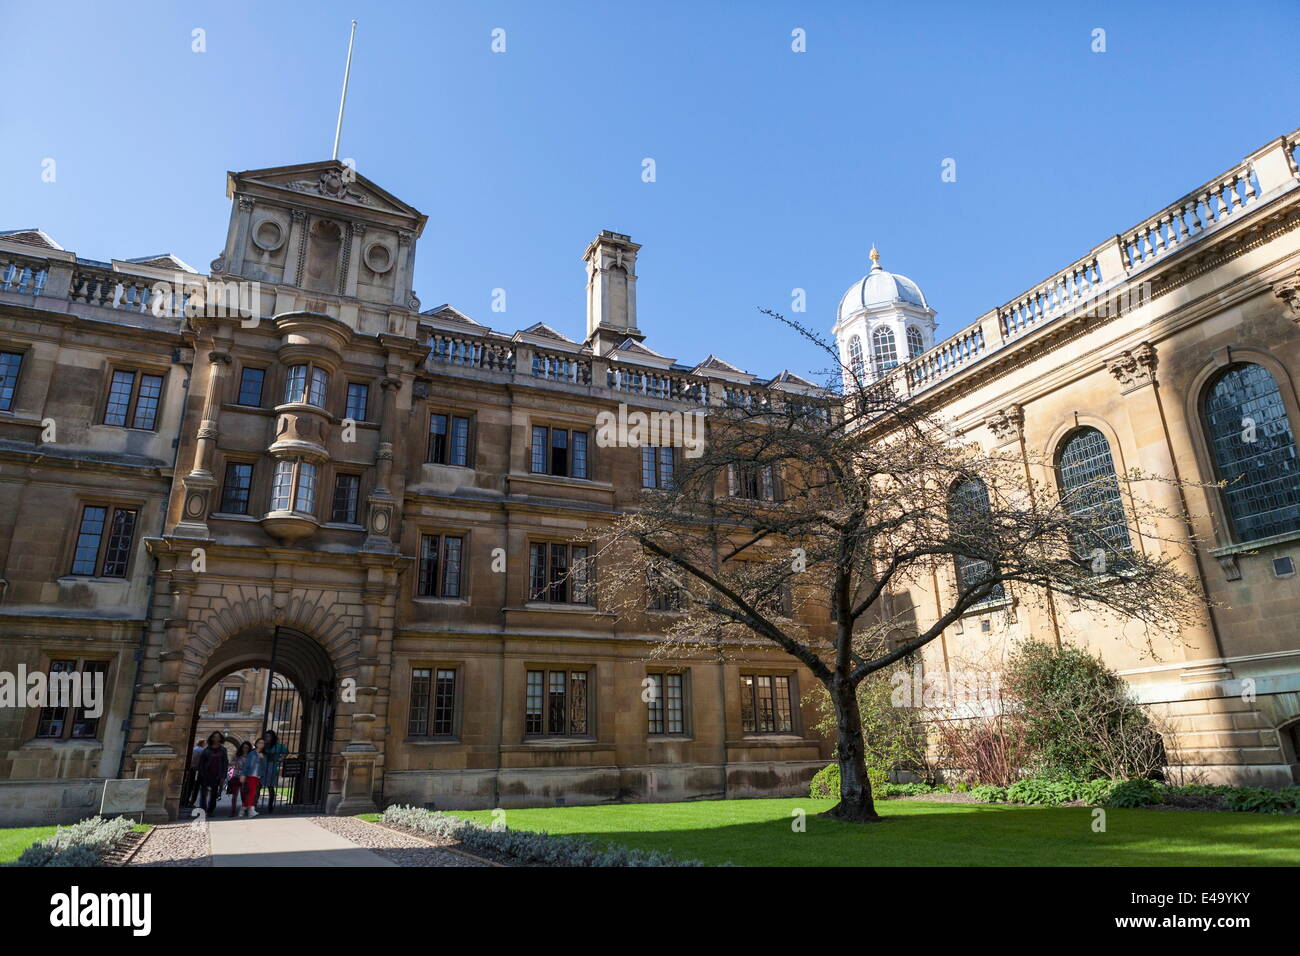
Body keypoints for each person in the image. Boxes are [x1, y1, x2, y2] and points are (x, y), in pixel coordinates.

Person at [194, 731, 228, 817]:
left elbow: (225, 763)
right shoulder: (206, 750)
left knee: (214, 794)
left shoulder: (223, 750)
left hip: (217, 775)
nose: (216, 738)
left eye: (218, 737)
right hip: (206, 774)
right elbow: (201, 763)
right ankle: (202, 810)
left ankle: (210, 811)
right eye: (214, 736)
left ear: (220, 738)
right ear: (211, 738)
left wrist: (223, 776)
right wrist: (201, 774)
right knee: (203, 794)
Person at [239, 737, 267, 818]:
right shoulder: (252, 753)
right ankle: (250, 810)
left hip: (257, 776)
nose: (261, 744)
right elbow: (246, 765)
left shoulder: (263, 754)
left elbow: (264, 766)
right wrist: (243, 774)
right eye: (260, 742)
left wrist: (262, 759)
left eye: (263, 743)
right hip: (250, 775)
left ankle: (244, 808)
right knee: (252, 792)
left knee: (252, 792)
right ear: (256, 744)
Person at [262, 729, 289, 814]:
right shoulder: (263, 746)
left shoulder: (278, 746)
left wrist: (281, 759)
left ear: (272, 737)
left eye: (268, 736)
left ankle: (270, 805)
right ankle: (254, 804)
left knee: (270, 787)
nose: (267, 738)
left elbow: (286, 751)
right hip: (262, 767)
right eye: (266, 736)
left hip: (272, 768)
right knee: (258, 785)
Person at [229, 741, 252, 817]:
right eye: (244, 747)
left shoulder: (250, 757)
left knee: (243, 795)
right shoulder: (237, 756)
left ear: (249, 749)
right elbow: (231, 763)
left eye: (247, 747)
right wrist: (233, 762)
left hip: (245, 777)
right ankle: (233, 811)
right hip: (236, 776)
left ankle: (244, 809)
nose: (245, 749)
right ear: (241, 748)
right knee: (234, 795)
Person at [183, 738, 205, 808]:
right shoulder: (202, 750)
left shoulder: (193, 749)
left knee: (188, 786)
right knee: (196, 787)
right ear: (202, 744)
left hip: (190, 769)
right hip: (198, 771)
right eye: (204, 743)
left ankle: (185, 801)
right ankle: (191, 802)